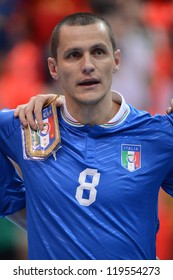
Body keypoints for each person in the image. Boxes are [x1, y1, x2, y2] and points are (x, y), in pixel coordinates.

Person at [0, 12, 173, 260]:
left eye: (99, 52)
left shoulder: (159, 135)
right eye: (74, 55)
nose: (87, 65)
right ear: (54, 68)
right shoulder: (30, 125)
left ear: (116, 60)